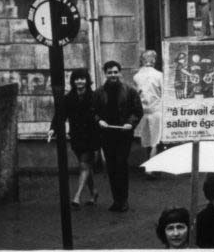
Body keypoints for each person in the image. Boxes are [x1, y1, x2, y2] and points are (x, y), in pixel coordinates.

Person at [93, 60, 143, 212]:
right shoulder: (98, 92)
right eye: (110, 73)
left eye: (115, 72)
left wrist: (130, 123)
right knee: (112, 168)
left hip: (124, 135)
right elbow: (92, 111)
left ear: (120, 73)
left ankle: (124, 200)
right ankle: (116, 200)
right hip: (107, 135)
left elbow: (137, 111)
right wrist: (99, 120)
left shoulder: (130, 91)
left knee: (121, 165)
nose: (113, 75)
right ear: (105, 74)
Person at [48, 68, 100, 207]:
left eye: (82, 78)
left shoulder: (95, 96)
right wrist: (53, 129)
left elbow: (101, 115)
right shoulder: (68, 98)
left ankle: (77, 196)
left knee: (83, 165)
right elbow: (60, 115)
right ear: (73, 81)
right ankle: (93, 191)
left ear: (87, 80)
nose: (79, 81)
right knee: (86, 166)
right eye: (76, 79)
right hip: (76, 136)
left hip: (91, 136)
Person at [132, 50, 164, 164]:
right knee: (156, 139)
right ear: (154, 60)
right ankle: (153, 165)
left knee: (146, 139)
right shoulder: (160, 75)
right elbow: (163, 93)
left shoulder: (136, 76)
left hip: (144, 111)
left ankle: (148, 163)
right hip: (157, 110)